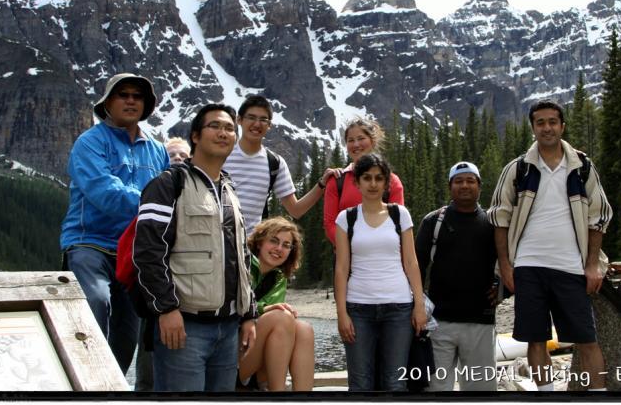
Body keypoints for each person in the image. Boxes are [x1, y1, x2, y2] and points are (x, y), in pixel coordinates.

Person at [487, 99, 613, 391]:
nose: (547, 128)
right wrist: (505, 266)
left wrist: (592, 265)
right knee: (536, 339)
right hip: (528, 266)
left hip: (571, 266)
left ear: (562, 126)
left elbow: (599, 217)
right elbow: (499, 219)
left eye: (552, 122)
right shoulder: (518, 169)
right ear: (533, 128)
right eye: (540, 122)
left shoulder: (582, 167)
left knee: (587, 339)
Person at [132, 104, 257, 392]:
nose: (223, 133)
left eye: (229, 128)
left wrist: (249, 314)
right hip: (184, 327)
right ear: (196, 137)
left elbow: (241, 256)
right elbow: (148, 252)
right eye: (215, 126)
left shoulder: (230, 190)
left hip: (229, 329)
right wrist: (166, 309)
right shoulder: (168, 184)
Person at [59, 73, 169, 374]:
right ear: (107, 103)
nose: (131, 101)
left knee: (126, 334)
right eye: (123, 95)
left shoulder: (158, 151)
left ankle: (112, 386)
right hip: (89, 244)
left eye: (137, 96)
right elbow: (104, 193)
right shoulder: (89, 142)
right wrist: (154, 203)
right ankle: (84, 378)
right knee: (96, 300)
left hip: (133, 251)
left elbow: (170, 196)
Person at [334, 153, 426, 391]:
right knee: (359, 383)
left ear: (386, 183)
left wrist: (419, 305)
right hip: (358, 308)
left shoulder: (400, 214)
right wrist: (342, 313)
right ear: (357, 182)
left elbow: (411, 262)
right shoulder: (346, 218)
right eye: (367, 178)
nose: (373, 184)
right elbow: (341, 268)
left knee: (396, 382)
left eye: (378, 178)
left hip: (399, 308)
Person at [415, 161, 499, 391]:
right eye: (459, 181)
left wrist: (504, 289)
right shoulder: (433, 222)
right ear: (450, 186)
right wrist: (417, 304)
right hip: (438, 324)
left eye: (470, 181)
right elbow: (416, 266)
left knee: (480, 392)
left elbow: (508, 261)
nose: (464, 185)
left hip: (480, 322)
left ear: (479, 186)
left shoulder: (493, 224)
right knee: (436, 389)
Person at [224, 95, 340, 237]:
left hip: (250, 247)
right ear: (239, 120)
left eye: (263, 119)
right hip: (215, 243)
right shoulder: (221, 156)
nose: (257, 124)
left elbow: (295, 210)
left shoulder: (274, 163)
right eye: (251, 117)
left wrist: (321, 184)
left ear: (269, 125)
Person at [134, 135, 193, 391]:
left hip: (188, 301)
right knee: (148, 372)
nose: (178, 158)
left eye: (183, 155)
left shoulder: (197, 193)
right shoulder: (155, 191)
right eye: (172, 155)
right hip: (153, 299)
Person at [238, 217, 315, 391]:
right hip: (232, 357)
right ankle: (277, 393)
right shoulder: (242, 265)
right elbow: (235, 306)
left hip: (259, 363)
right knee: (281, 317)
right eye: (273, 241)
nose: (279, 248)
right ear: (259, 242)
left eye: (286, 245)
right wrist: (262, 309)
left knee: (304, 329)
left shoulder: (278, 277)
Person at [323, 116, 404, 247]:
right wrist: (353, 247)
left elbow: (398, 222)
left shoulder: (392, 181)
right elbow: (330, 224)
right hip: (346, 257)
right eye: (350, 140)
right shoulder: (337, 181)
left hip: (383, 254)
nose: (356, 145)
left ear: (372, 141)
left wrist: (369, 248)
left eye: (361, 139)